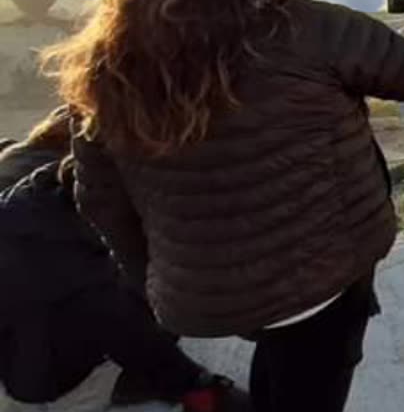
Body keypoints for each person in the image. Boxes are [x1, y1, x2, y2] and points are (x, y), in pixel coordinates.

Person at [42, 0, 404, 412]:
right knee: (311, 379)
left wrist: (160, 273)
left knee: (282, 354)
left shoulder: (107, 60)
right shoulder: (312, 27)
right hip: (323, 278)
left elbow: (98, 198)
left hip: (204, 294)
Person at [0, 106, 250, 411]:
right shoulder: (87, 281)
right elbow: (145, 343)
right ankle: (124, 387)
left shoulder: (32, 188)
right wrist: (205, 387)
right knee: (170, 287)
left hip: (21, 346)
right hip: (51, 382)